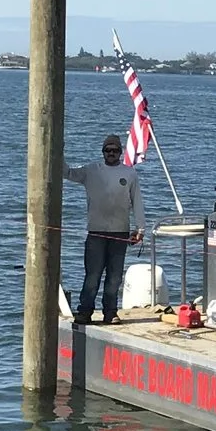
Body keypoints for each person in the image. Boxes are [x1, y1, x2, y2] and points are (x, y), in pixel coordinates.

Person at [64, 134, 143, 323]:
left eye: (115, 150)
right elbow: (67, 173)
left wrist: (141, 229)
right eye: (108, 150)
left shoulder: (130, 173)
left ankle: (110, 312)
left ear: (120, 152)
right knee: (93, 276)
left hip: (120, 233)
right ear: (103, 152)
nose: (111, 153)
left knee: (114, 278)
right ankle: (85, 312)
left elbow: (137, 202)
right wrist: (59, 149)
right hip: (96, 233)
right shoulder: (91, 170)